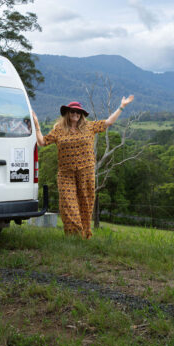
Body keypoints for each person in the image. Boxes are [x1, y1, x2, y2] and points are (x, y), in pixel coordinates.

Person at [32, 96, 135, 239]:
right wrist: (37, 125)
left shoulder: (89, 126)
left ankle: (84, 235)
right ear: (67, 113)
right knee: (68, 204)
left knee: (85, 205)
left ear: (81, 115)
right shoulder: (59, 129)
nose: (75, 114)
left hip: (86, 172)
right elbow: (42, 142)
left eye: (78, 112)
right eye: (73, 111)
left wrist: (122, 106)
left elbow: (109, 122)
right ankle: (74, 235)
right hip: (66, 174)